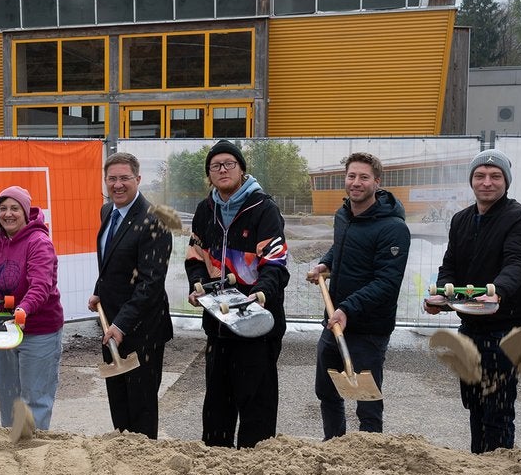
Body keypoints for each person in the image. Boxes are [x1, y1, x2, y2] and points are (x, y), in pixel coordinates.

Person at [423, 149, 521, 454]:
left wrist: (498, 290)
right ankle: (479, 463)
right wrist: (442, 294)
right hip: (471, 325)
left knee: (497, 407)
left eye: (495, 176)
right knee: (474, 402)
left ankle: (499, 469)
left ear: (506, 181)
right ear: (471, 181)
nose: (487, 182)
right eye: (480, 176)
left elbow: (519, 263)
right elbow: (450, 265)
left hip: (507, 327)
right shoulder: (461, 220)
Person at [183, 140, 289, 448]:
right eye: (215, 166)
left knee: (257, 407)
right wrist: (197, 285)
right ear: (209, 174)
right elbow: (195, 256)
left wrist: (261, 292)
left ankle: (254, 464)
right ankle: (216, 463)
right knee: (217, 405)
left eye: (229, 164)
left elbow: (275, 263)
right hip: (219, 324)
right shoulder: (205, 210)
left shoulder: (263, 209)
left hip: (257, 325)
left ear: (242, 169)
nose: (222, 170)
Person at [306, 151, 410, 439]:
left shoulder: (393, 228)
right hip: (335, 320)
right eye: (351, 176)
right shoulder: (343, 216)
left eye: (364, 177)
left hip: (368, 328)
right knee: (327, 391)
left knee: (367, 401)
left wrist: (347, 309)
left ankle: (370, 453)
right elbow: (341, 247)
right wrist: (326, 263)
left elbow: (387, 282)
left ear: (377, 182)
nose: (356, 182)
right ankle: (334, 445)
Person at [88, 151, 173, 439]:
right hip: (111, 326)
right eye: (111, 179)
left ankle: (144, 462)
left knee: (141, 411)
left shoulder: (155, 221)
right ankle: (122, 461)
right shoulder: (107, 212)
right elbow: (113, 260)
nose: (117, 185)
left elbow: (151, 283)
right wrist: (99, 291)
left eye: (124, 178)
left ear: (138, 179)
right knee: (120, 406)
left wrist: (122, 325)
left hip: (141, 331)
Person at [0, 185, 63, 430]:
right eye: (3, 208)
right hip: (5, 328)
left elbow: (41, 286)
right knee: (9, 396)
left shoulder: (39, 242)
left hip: (39, 330)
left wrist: (23, 310)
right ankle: (12, 444)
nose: (8, 214)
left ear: (26, 212)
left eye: (15, 208)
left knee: (35, 398)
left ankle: (34, 448)